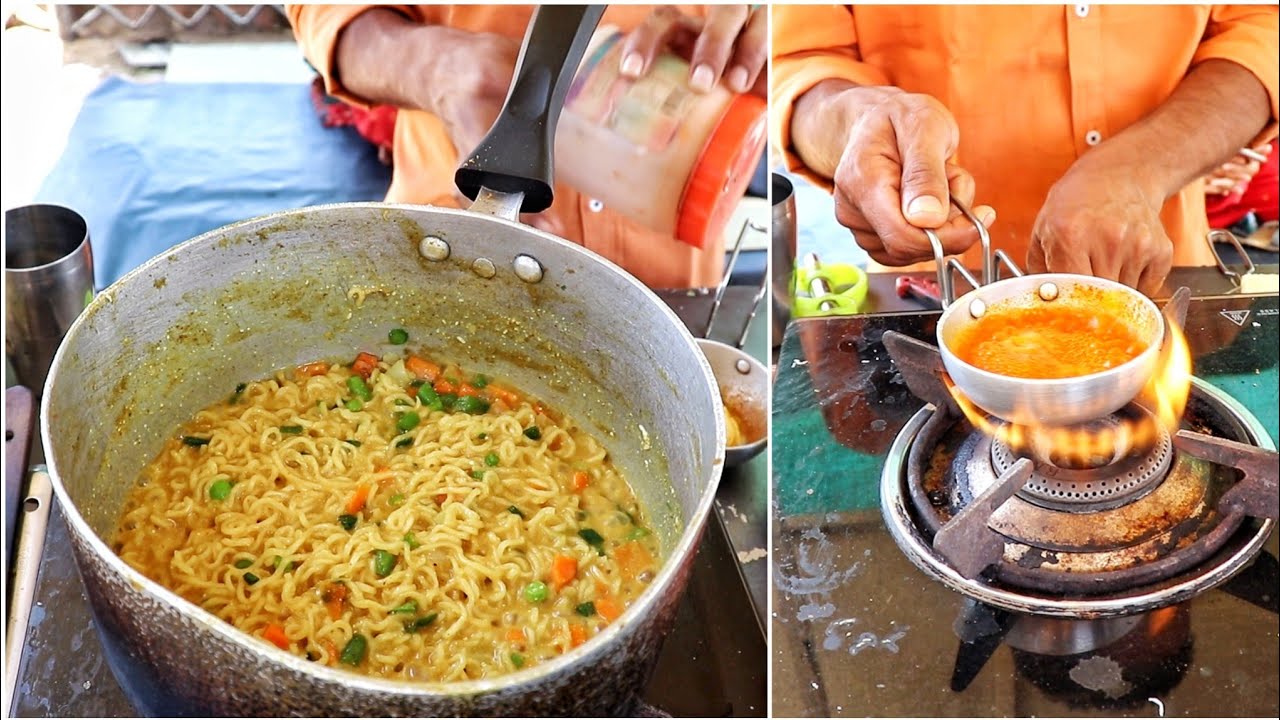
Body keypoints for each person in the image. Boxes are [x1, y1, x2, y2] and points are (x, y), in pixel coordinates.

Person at [771, 5, 1279, 296]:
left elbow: (1261, 30)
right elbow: (802, 62)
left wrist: (1138, 168)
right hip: (939, 281)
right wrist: (860, 125)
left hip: (1159, 271)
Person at [288, 5, 766, 289]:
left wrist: (768, 43)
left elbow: (812, 43)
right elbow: (326, 11)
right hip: (443, 249)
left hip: (673, 279)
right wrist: (435, 68)